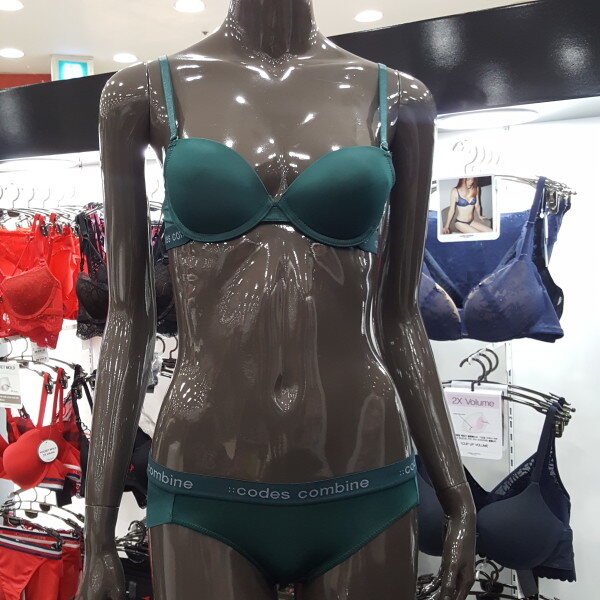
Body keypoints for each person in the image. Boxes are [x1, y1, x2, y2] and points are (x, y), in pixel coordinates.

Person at [77, 1, 476, 599]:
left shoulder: (400, 98)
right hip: (204, 478)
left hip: (363, 470)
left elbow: (400, 316)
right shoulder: (140, 93)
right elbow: (128, 319)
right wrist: (98, 534)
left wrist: (458, 498)